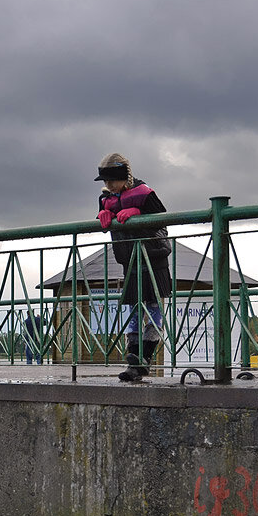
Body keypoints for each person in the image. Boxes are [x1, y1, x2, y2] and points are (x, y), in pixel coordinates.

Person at [94, 152, 172, 382]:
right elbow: (105, 218)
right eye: (105, 182)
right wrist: (103, 213)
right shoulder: (106, 196)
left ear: (123, 177)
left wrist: (139, 213)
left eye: (111, 181)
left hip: (153, 257)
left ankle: (144, 358)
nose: (108, 186)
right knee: (135, 308)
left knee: (153, 307)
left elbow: (161, 218)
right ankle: (134, 361)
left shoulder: (144, 192)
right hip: (130, 259)